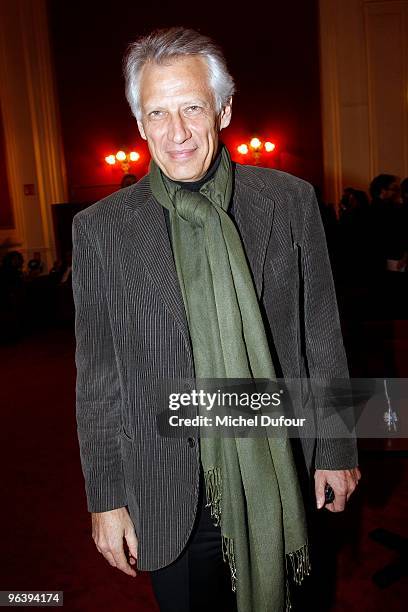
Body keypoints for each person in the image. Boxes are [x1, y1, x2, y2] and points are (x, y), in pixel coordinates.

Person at [72, 27, 361, 612]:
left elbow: (321, 335)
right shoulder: (101, 230)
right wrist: (105, 498)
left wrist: (337, 446)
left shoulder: (288, 201)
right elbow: (99, 378)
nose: (175, 133)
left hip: (282, 466)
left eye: (192, 109)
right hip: (167, 483)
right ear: (139, 122)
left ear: (224, 110)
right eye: (157, 112)